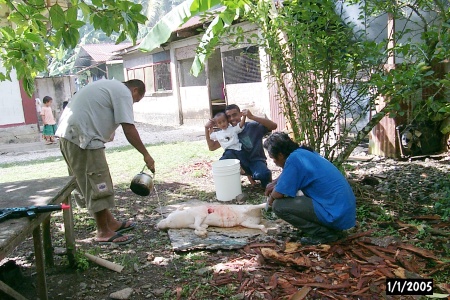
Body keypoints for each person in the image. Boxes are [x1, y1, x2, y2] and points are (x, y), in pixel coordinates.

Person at [56, 79, 155, 245]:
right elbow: (129, 128)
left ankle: (110, 223)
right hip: (83, 138)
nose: (132, 104)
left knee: (88, 182)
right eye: (135, 101)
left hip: (70, 136)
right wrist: (146, 155)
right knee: (98, 182)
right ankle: (103, 231)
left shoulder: (109, 86)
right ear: (135, 90)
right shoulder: (123, 92)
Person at [263, 132, 356, 245]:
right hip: (342, 211)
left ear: (281, 155)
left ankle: (324, 234)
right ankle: (329, 229)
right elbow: (287, 175)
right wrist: (274, 182)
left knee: (279, 206)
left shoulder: (294, 159)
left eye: (273, 158)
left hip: (335, 214)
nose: (274, 162)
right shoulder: (304, 153)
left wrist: (269, 201)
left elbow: (279, 194)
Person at [205, 104, 277, 188]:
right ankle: (233, 185)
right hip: (241, 164)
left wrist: (252, 117)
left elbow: (274, 126)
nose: (232, 118)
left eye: (234, 115)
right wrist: (206, 129)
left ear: (240, 114)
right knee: (224, 161)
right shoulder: (229, 133)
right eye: (229, 116)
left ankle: (263, 180)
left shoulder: (252, 126)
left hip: (256, 161)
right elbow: (212, 147)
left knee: (263, 174)